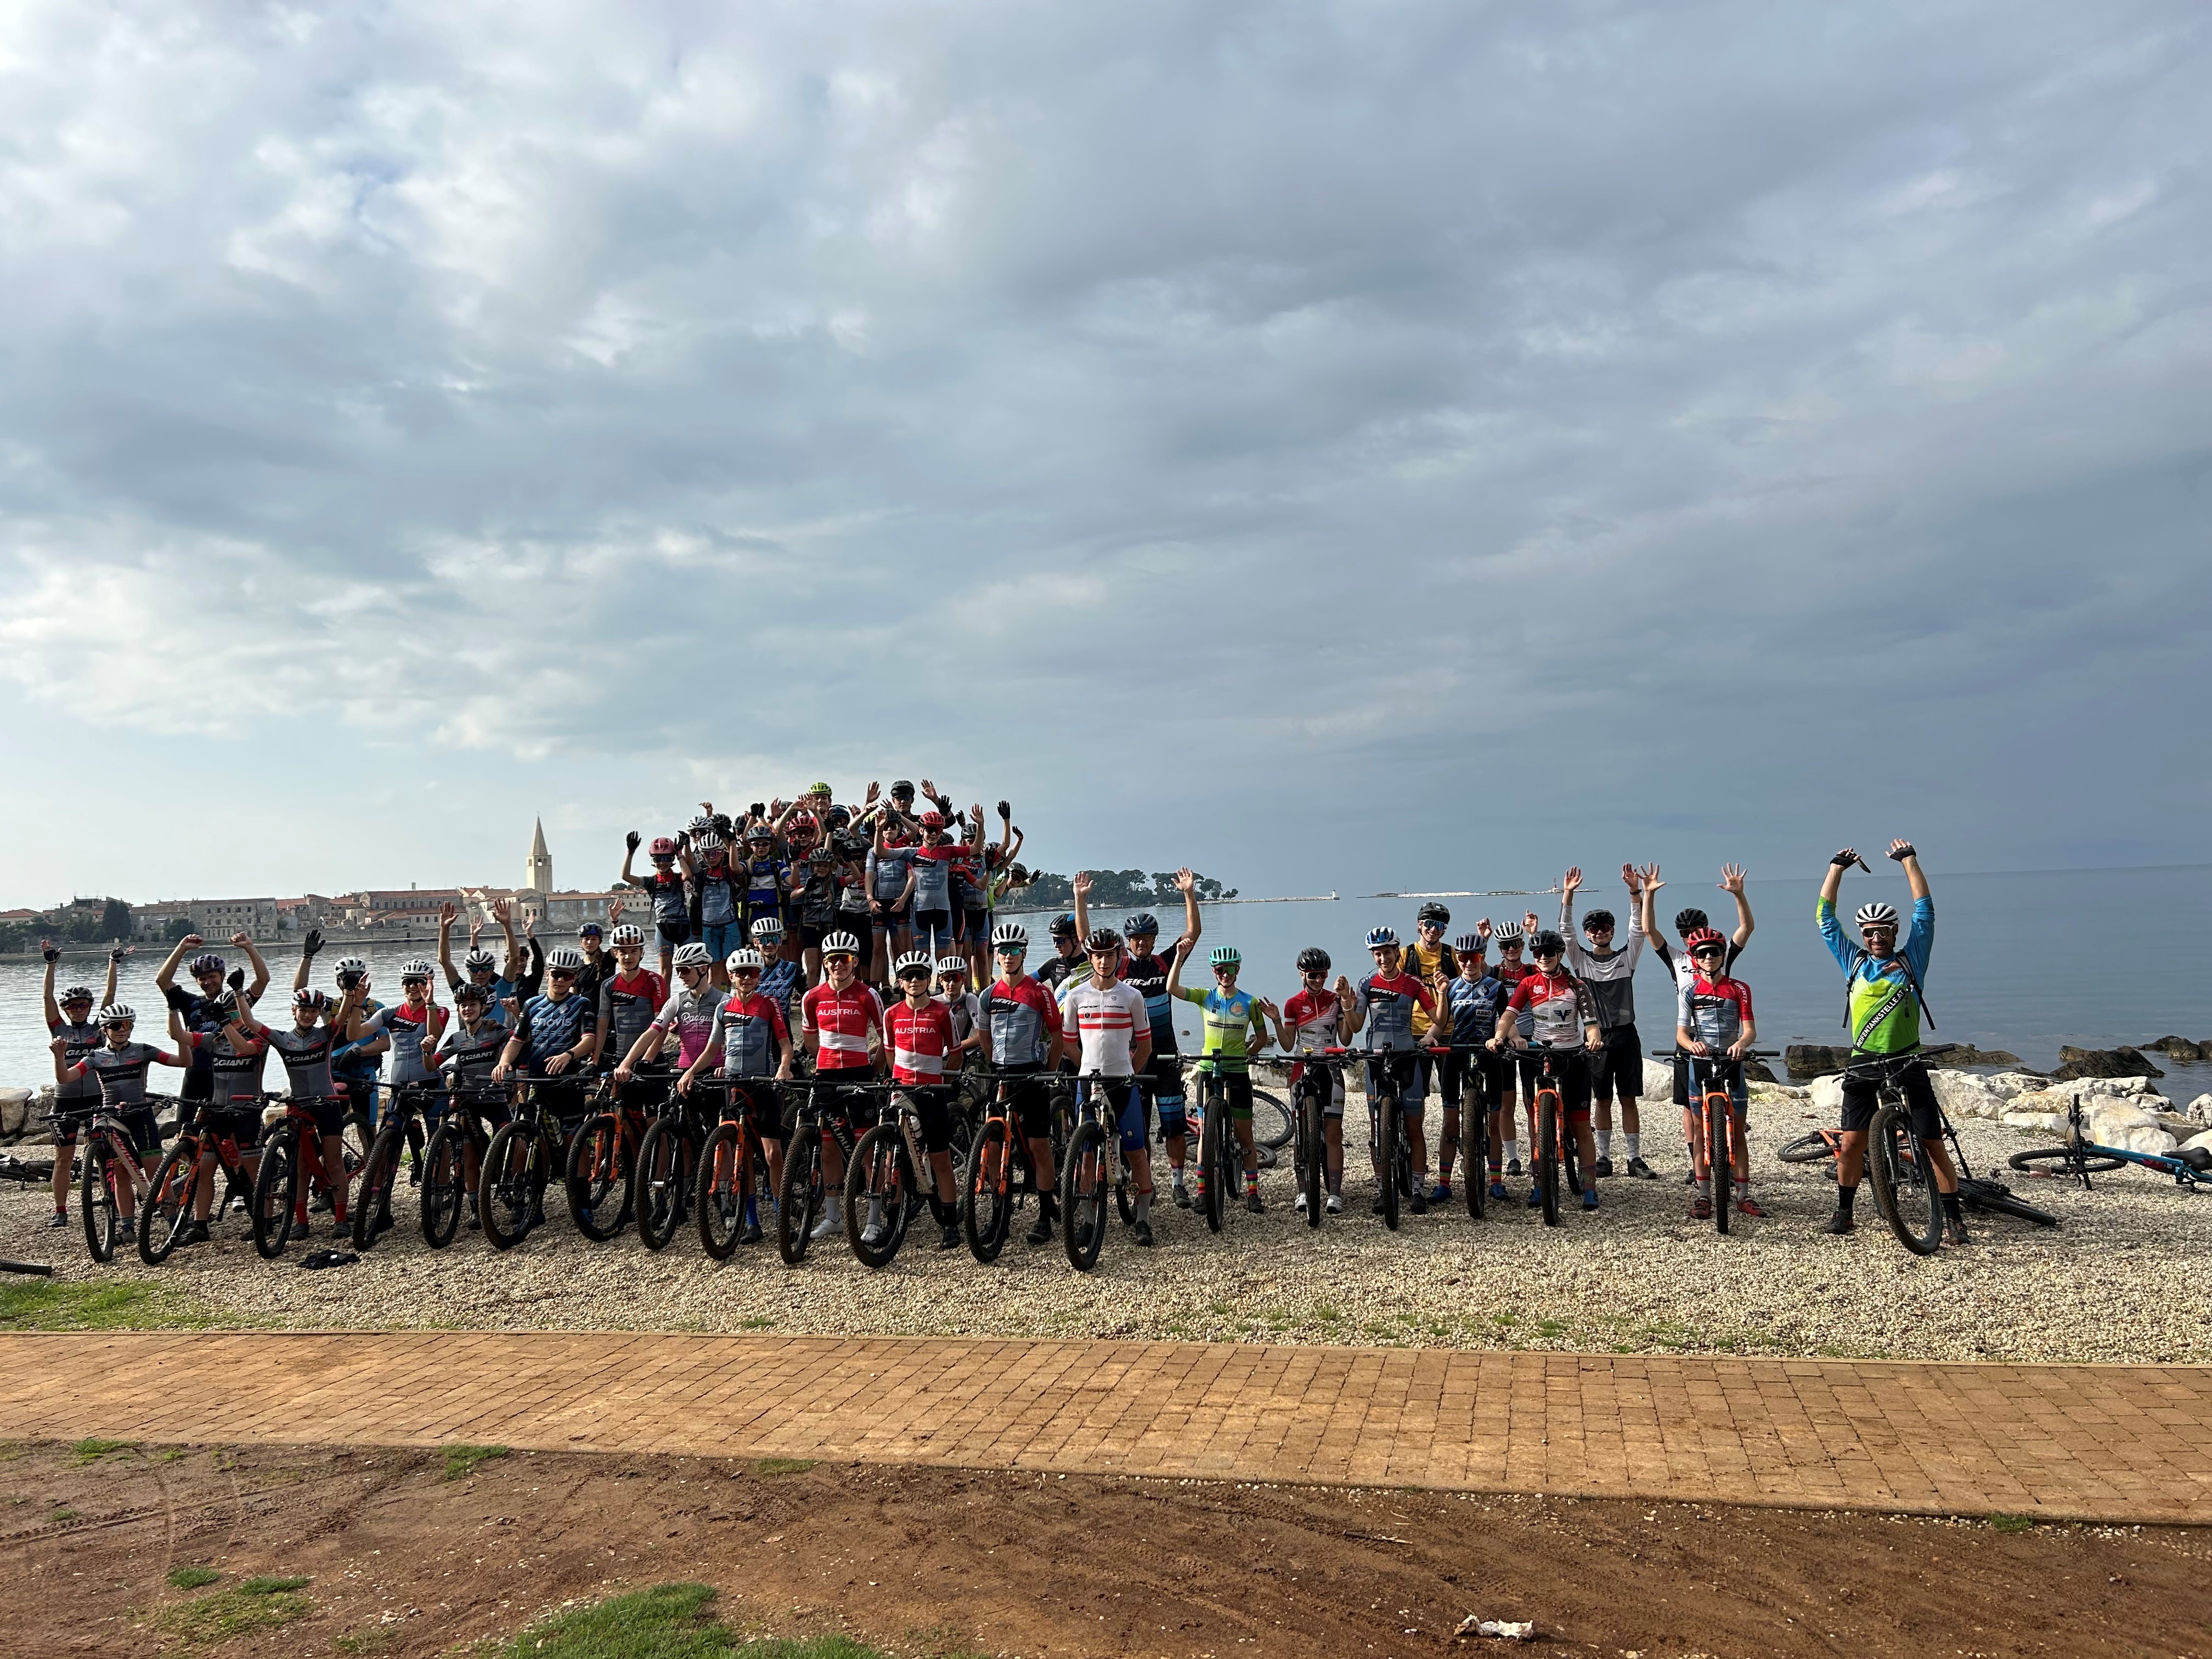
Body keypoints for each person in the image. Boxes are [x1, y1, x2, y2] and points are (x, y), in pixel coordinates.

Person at [1817, 840, 1962, 1243]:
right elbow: (1825, 919)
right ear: (1862, 935)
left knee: (1932, 1143)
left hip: (1907, 1060)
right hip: (1864, 1061)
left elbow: (1925, 912)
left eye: (1883, 930)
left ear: (1894, 931)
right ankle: (1845, 1211)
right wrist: (1836, 868)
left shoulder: (1913, 959)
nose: (1877, 936)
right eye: (1869, 931)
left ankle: (1953, 1219)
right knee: (1851, 1144)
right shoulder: (1854, 962)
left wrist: (1909, 861)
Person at [1074, 867, 1200, 1207]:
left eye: (1147, 938)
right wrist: (1080, 900)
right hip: (1133, 1059)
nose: (1141, 943)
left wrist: (1189, 893)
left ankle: (1177, 1184)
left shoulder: (1165, 962)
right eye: (1136, 939)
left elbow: (1193, 933)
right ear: (1127, 943)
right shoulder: (1120, 967)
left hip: (1166, 1055)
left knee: (1174, 1123)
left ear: (1154, 940)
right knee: (1138, 1127)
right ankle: (1141, 1185)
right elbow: (1088, 942)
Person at [1639, 863, 1754, 1173]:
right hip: (1688, 1036)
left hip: (1721, 1037)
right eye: (1685, 933)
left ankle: (1728, 1150)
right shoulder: (1677, 958)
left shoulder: (1717, 955)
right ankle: (1697, 1161)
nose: (1691, 936)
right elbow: (1649, 931)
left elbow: (1745, 930)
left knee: (1727, 1098)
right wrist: (1648, 895)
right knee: (1689, 1106)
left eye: (1696, 929)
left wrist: (1739, 895)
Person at [676, 946, 793, 1245]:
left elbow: (785, 1045)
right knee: (744, 1153)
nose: (747, 978)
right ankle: (751, 1222)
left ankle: (781, 1216)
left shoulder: (769, 1004)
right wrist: (691, 1072)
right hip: (733, 1085)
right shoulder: (723, 1008)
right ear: (731, 977)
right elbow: (711, 1050)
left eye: (752, 973)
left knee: (772, 1153)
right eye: (741, 974)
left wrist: (784, 1068)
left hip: (762, 1084)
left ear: (759, 976)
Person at [1056, 926, 1157, 1245]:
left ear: (1118, 957)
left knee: (1136, 1153)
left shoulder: (1132, 997)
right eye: (1098, 956)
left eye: (1109, 955)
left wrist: (1129, 1072)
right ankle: (1089, 1220)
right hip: (1088, 1083)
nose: (1103, 961)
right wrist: (1086, 1066)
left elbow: (1145, 1045)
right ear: (1090, 958)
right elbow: (1068, 1044)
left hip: (1122, 1083)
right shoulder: (1076, 996)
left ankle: (1143, 1218)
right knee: (1086, 1155)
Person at [1491, 930, 1604, 1212]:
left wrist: (1593, 1038)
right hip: (1539, 1056)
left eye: (1549, 953)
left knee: (1580, 1127)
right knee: (1537, 1125)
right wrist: (1499, 1036)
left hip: (1572, 1057)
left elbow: (1591, 1023)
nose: (1543, 957)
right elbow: (1509, 1014)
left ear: (1560, 955)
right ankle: (1539, 1184)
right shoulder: (1529, 983)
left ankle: (1590, 1187)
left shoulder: (1577, 985)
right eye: (1538, 953)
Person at [48, 1001, 180, 1242]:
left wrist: (181, 1037)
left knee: (154, 1169)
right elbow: (65, 1078)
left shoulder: (143, 1050)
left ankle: (174, 1220)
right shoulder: (95, 1057)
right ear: (105, 1030)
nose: (123, 1030)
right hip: (113, 1118)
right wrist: (59, 1056)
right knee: (121, 1174)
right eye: (117, 1026)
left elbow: (184, 1062)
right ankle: (128, 1228)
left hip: (140, 1115)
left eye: (128, 1025)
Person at [1559, 866, 1655, 1179]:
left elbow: (1638, 930)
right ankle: (1603, 1158)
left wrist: (1634, 892)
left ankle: (1634, 1158)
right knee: (1601, 1099)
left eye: (1605, 928)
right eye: (1594, 929)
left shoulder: (1627, 958)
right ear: (1588, 934)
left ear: (1612, 931)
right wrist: (1568, 895)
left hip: (1627, 1036)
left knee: (1628, 1099)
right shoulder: (1581, 961)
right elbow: (1566, 933)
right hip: (1596, 1038)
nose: (1599, 932)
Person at [232, 986, 352, 1235]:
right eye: (303, 1010)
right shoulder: (282, 1039)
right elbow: (250, 1023)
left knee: (334, 1163)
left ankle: (341, 1220)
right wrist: (239, 993)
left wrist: (349, 993)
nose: (308, 1015)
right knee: (300, 1166)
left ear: (319, 1014)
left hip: (327, 1103)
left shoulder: (325, 1034)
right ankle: (301, 1221)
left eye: (313, 1011)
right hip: (298, 1106)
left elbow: (341, 1017)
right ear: (293, 1011)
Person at [1169, 944, 1274, 1214]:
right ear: (1214, 972)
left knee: (1245, 1135)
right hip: (1208, 1069)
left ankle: (1253, 1193)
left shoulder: (1250, 1003)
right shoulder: (1206, 997)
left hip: (1237, 1071)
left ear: (1237, 970)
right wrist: (1179, 957)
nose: (1225, 974)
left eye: (1229, 969)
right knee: (1205, 1133)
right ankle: (1202, 1192)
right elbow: (1172, 988)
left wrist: (1247, 1055)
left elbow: (1262, 1038)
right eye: (1219, 970)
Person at [979, 921, 1064, 1246]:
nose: (1008, 956)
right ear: (997, 955)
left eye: (1014, 950)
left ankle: (1044, 1214)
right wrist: (996, 1065)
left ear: (1024, 953)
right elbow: (985, 1038)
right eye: (1003, 950)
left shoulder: (1040, 992)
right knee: (993, 1147)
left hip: (1032, 1076)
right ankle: (997, 1214)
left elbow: (1057, 1038)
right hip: (1001, 1076)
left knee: (1039, 1146)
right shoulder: (988, 995)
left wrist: (1048, 1072)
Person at [798, 931, 886, 1242]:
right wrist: (825, 1063)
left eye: (844, 958)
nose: (839, 964)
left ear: (855, 962)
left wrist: (873, 1070)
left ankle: (874, 1220)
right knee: (828, 1147)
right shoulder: (812, 997)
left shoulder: (868, 995)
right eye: (833, 959)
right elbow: (811, 1041)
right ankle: (833, 1217)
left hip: (860, 1073)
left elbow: (886, 1039)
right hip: (827, 1076)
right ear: (825, 963)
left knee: (867, 1147)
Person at [1345, 926, 1438, 1214]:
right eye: (1377, 954)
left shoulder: (1413, 983)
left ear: (1397, 952)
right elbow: (1356, 1026)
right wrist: (1347, 1004)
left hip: (1407, 1056)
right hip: (1376, 1059)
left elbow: (1438, 1018)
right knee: (1377, 1129)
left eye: (1387, 952)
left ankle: (1419, 1189)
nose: (1383, 958)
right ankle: (1382, 1189)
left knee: (1414, 1128)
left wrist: (1442, 998)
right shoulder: (1366, 983)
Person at [881, 950, 967, 1250]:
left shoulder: (942, 1013)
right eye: (908, 976)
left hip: (932, 1091)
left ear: (929, 979)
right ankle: (892, 1221)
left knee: (940, 1157)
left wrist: (943, 1084)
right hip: (902, 1089)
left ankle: (950, 1224)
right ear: (900, 982)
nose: (914, 981)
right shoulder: (892, 1014)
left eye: (919, 975)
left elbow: (955, 1054)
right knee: (892, 1156)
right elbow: (890, 1053)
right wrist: (898, 1079)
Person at [1674, 928, 1761, 1220]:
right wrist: (1692, 1045)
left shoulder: (1739, 988)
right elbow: (1682, 1033)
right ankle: (1703, 1195)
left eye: (1714, 952)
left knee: (1737, 1132)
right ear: (1695, 958)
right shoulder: (1689, 991)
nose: (1709, 957)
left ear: (1723, 955)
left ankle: (1743, 1195)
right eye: (1702, 953)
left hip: (1731, 1061)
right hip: (1700, 1063)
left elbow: (1750, 1031)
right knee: (1701, 1132)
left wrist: (1741, 1044)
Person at [40, 938, 123, 1227]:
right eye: (72, 1006)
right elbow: (47, 998)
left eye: (83, 1005)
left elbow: (110, 995)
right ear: (66, 1009)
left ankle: (113, 1203)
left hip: (98, 1098)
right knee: (64, 1158)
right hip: (66, 1099)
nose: (78, 1009)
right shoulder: (58, 1029)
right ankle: (61, 1210)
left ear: (89, 1007)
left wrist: (113, 962)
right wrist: (51, 964)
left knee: (105, 1154)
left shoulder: (99, 1028)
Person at [156, 932, 270, 1121]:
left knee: (221, 1127)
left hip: (227, 1074)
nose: (207, 982)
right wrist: (182, 948)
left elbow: (263, 980)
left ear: (223, 976)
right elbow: (163, 981)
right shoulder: (191, 1003)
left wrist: (249, 947)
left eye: (212, 976)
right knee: (183, 1127)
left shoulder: (236, 1001)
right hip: (196, 1072)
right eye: (202, 979)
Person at [492, 946, 600, 1145]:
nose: (561, 980)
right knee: (538, 1139)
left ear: (574, 979)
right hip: (538, 1081)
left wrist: (569, 1055)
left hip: (568, 1082)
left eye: (567, 976)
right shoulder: (532, 1004)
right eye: (557, 975)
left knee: (572, 1141)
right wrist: (504, 1062)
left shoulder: (581, 1003)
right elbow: (517, 1039)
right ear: (548, 974)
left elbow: (589, 1040)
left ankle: (578, 1167)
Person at [1271, 946, 1350, 1215]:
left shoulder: (1335, 1000)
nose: (1318, 980)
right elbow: (1287, 1044)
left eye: (1323, 975)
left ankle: (1335, 1193)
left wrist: (1347, 1002)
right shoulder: (1293, 1003)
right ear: (1302, 974)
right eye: (1313, 975)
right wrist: (1276, 1020)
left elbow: (1346, 1038)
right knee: (1302, 1133)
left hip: (1330, 1067)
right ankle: (1303, 1190)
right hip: (1301, 1067)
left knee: (1334, 1133)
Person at [1439, 933, 1512, 1201]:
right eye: (1463, 957)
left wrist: (1513, 1038)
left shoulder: (1496, 986)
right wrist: (1430, 1037)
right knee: (1450, 1123)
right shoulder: (1450, 986)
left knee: (1494, 1122)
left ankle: (1496, 1182)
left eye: (1474, 957)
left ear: (1482, 957)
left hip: (1488, 1052)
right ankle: (1444, 1184)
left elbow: (1507, 1018)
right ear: (1457, 959)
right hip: (1457, 1052)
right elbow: (1440, 1022)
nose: (1469, 962)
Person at [1487, 921, 1532, 1174]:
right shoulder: (1494, 973)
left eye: (1515, 944)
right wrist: (1483, 939)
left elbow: (1553, 964)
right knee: (1507, 1103)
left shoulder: (1532, 971)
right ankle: (1513, 1158)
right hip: (1502, 1040)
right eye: (1506, 946)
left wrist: (1535, 934)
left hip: (1531, 1039)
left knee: (1532, 1102)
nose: (1511, 949)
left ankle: (1537, 1153)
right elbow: (1472, 967)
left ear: (1522, 945)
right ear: (1500, 949)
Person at [618, 832, 692, 981]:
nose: (663, 863)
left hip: (683, 926)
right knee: (665, 973)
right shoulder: (650, 882)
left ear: (672, 860)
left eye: (667, 859)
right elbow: (626, 877)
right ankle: (664, 998)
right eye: (658, 859)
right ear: (653, 861)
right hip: (663, 928)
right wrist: (630, 853)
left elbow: (687, 876)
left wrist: (680, 854)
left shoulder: (678, 878)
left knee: (691, 969)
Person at [684, 832, 746, 986]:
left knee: (731, 965)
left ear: (722, 853)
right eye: (707, 854)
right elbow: (691, 863)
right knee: (714, 966)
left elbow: (735, 866)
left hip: (729, 924)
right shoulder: (702, 874)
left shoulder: (728, 871)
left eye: (715, 853)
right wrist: (686, 845)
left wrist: (731, 841)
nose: (711, 857)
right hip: (709, 927)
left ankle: (730, 996)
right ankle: (718, 997)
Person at [1036, 913, 1085, 994]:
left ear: (1077, 941)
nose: (1056, 945)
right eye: (1054, 940)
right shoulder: (1052, 964)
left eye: (1059, 940)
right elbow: (1025, 981)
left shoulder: (1092, 964)